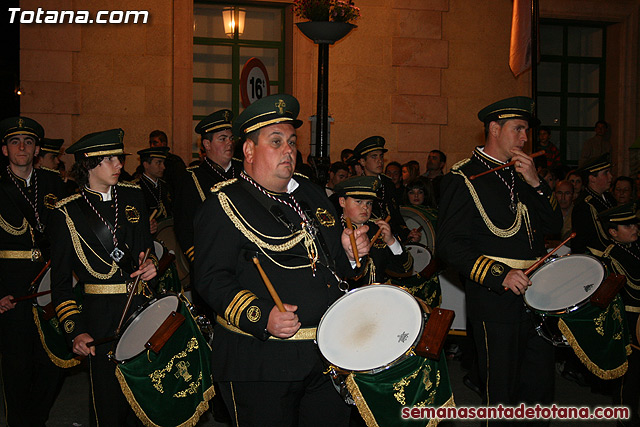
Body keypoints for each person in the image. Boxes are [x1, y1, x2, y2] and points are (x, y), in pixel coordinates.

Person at [193, 93, 370, 426]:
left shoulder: (312, 193)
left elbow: (333, 265)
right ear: (248, 150)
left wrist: (349, 252)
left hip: (327, 354)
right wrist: (261, 316)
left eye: (291, 141)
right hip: (262, 362)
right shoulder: (223, 204)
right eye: (276, 142)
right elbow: (209, 278)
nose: (288, 150)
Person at [437, 96, 562, 423]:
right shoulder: (463, 178)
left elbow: (553, 226)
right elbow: (449, 244)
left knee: (539, 385)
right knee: (502, 388)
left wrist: (536, 183)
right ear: (494, 128)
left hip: (538, 294)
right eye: (518, 129)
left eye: (526, 131)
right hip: (495, 297)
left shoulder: (524, 174)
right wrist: (499, 274)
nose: (525, 138)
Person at [50, 128, 157, 425]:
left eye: (118, 157)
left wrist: (152, 265)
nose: (119, 165)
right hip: (98, 318)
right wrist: (75, 330)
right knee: (107, 402)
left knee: (146, 397)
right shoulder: (66, 214)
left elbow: (146, 250)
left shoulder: (134, 195)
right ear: (87, 165)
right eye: (109, 159)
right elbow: (60, 286)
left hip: (138, 309)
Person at [0, 116, 67, 426]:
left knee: (54, 362)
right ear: (5, 150)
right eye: (15, 142)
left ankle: (36, 419)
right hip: (11, 291)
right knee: (16, 366)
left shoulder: (54, 183)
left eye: (28, 142)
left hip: (50, 285)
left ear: (37, 149)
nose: (22, 147)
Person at [174, 109, 239, 266]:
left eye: (230, 138)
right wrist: (202, 263)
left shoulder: (246, 171)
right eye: (222, 139)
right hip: (211, 262)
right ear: (207, 144)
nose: (229, 143)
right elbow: (185, 228)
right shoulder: (191, 179)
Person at [598, 202, 640, 426]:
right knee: (629, 379)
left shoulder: (635, 248)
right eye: (627, 225)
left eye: (634, 223)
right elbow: (630, 291)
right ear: (613, 232)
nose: (634, 227)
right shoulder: (611, 258)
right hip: (629, 322)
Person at [335, 176, 412, 287]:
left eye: (369, 203)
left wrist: (391, 241)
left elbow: (404, 269)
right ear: (342, 202)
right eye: (359, 201)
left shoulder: (377, 229)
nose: (365, 207)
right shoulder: (333, 231)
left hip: (380, 297)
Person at [354, 136, 409, 241]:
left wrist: (407, 233)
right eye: (374, 157)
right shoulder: (356, 186)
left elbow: (395, 215)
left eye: (381, 156)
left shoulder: (388, 183)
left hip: (389, 237)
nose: (379, 161)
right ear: (362, 161)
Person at [570, 153, 615, 255]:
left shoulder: (609, 198)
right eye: (606, 173)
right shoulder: (584, 205)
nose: (611, 176)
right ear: (592, 178)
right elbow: (582, 243)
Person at [136, 146, 173, 235]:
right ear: (146, 165)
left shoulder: (165, 186)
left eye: (163, 163)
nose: (163, 167)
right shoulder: (137, 188)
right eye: (158, 163)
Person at [148, 129, 186, 197]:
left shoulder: (174, 162)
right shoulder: (148, 161)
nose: (152, 146)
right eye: (150, 143)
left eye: (155, 143)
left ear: (164, 144)